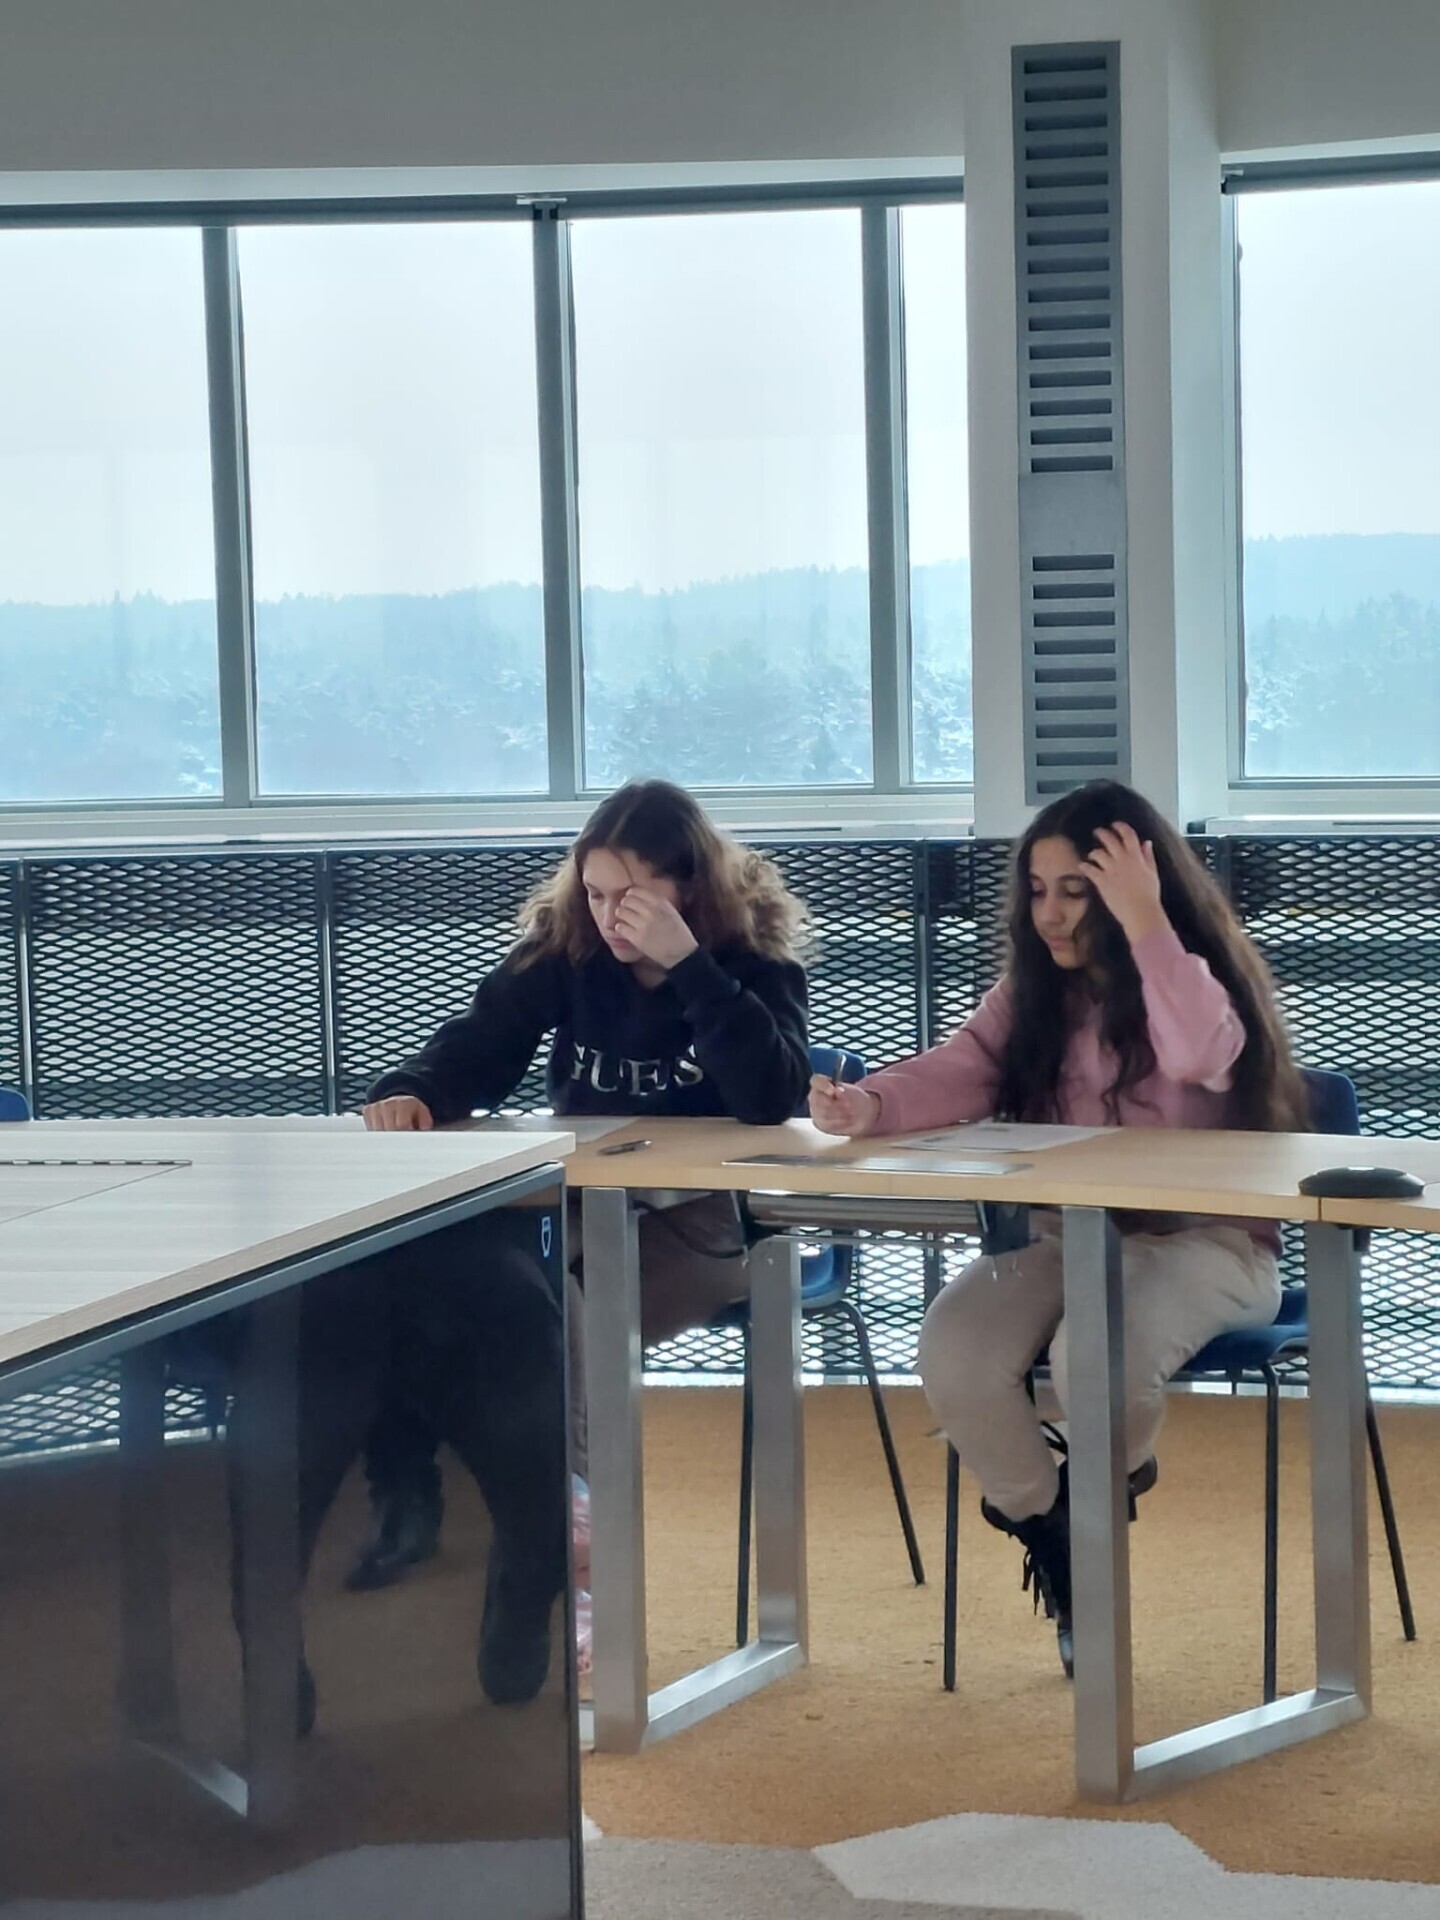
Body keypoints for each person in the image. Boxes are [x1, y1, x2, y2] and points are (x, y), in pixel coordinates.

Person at [809, 779, 1308, 1678]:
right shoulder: (1032, 993)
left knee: (1094, 1356)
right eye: (1038, 890)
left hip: (1212, 1243)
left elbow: (1202, 1053)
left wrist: (1147, 923)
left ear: (1134, 891)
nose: (1050, 912)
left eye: (1076, 891)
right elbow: (961, 1068)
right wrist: (869, 1104)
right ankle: (1061, 1530)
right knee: (955, 1351)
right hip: (1067, 1236)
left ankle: (1097, 1489)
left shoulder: (1191, 975)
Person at [351, 778, 812, 1606]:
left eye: (630, 897)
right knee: (461, 1291)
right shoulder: (568, 947)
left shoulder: (753, 960)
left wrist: (689, 966)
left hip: (702, 1225)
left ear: (687, 889)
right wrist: (413, 1088)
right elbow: (481, 1047)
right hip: (577, 1212)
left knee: (547, 1318)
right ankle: (517, 1519)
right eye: (595, 893)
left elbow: (770, 1094)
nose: (608, 915)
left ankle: (573, 1538)